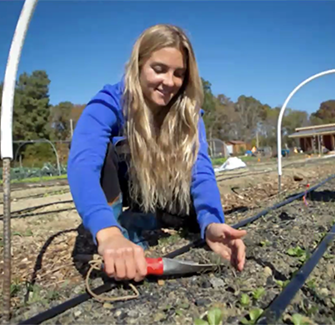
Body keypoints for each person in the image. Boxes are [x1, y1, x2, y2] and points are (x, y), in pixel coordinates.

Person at [67, 24, 246, 283]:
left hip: (163, 186)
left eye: (179, 73)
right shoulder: (109, 103)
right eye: (159, 69)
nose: (169, 82)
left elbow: (201, 170)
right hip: (126, 184)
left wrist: (212, 221)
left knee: (196, 217)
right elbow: (83, 165)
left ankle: (152, 216)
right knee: (105, 150)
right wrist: (107, 233)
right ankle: (116, 226)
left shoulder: (187, 111)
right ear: (138, 65)